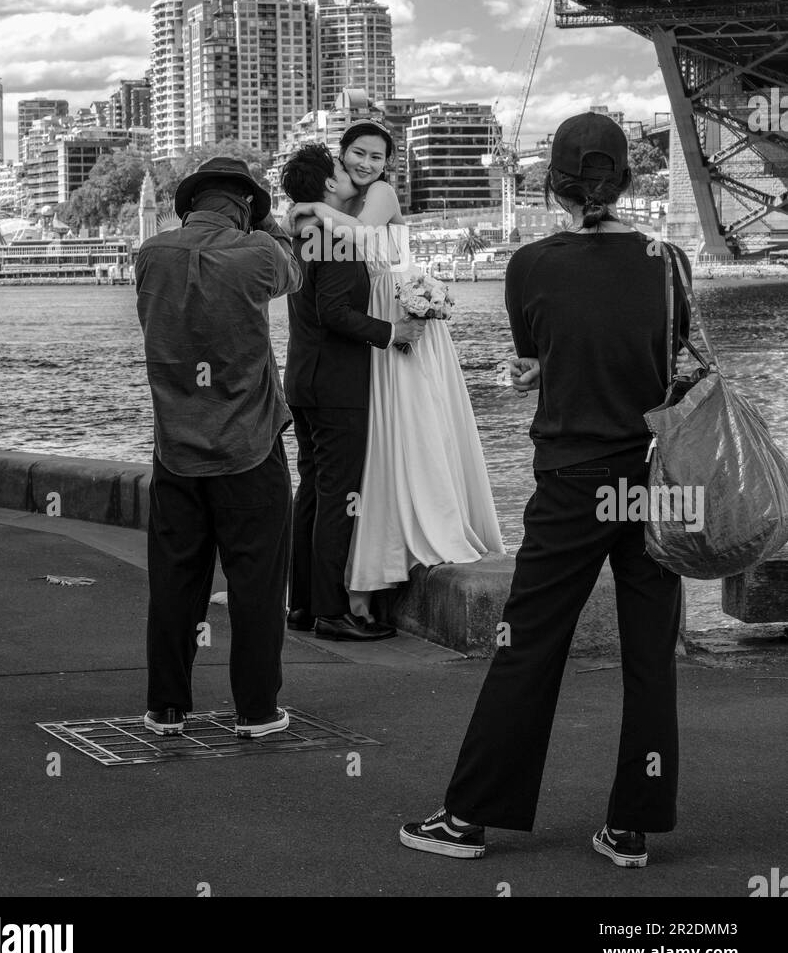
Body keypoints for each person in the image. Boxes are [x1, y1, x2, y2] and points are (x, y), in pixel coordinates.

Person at [400, 112, 691, 866]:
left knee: (528, 646)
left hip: (571, 479)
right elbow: (670, 357)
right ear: (627, 179)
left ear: (554, 184)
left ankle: (470, 818)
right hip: (653, 477)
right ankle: (632, 827)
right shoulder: (671, 260)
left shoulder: (530, 265)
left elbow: (537, 357)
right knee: (650, 654)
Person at [285, 119, 504, 619]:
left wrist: (312, 206)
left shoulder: (368, 200)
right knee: (362, 462)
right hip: (374, 333)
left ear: (388, 165)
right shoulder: (329, 219)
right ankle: (326, 602)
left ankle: (319, 597)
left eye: (377, 157)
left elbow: (362, 236)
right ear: (338, 161)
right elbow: (332, 294)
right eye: (356, 155)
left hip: (392, 325)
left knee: (402, 437)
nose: (366, 164)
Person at [135, 157, 301, 740]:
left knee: (175, 582)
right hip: (248, 445)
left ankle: (166, 708)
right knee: (257, 583)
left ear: (190, 203)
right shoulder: (258, 253)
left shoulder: (150, 255)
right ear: (245, 208)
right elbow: (294, 272)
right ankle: (256, 712)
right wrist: (269, 224)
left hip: (176, 444)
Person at [281, 143, 425, 641]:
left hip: (303, 380)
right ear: (327, 184)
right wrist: (392, 334)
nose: (353, 176)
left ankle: (301, 604)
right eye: (343, 169)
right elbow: (334, 314)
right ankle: (331, 612)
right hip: (335, 386)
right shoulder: (333, 239)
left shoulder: (303, 233)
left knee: (312, 496)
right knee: (339, 497)